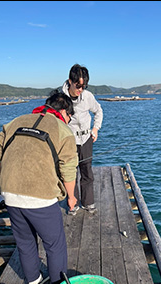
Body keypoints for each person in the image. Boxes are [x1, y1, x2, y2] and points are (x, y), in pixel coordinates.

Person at [0, 92, 78, 284]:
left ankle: (33, 280)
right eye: (70, 116)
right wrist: (71, 196)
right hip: (41, 195)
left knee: (24, 240)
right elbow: (68, 168)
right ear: (63, 112)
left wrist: (4, 185)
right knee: (54, 243)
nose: (69, 121)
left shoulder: (15, 122)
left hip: (10, 192)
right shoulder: (63, 130)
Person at [61, 64, 103, 215]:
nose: (80, 90)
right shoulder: (61, 99)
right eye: (78, 86)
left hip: (86, 138)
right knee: (70, 172)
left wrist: (95, 128)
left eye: (84, 86)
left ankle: (88, 202)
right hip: (69, 141)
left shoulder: (88, 96)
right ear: (70, 81)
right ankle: (73, 202)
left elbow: (98, 111)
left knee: (86, 171)